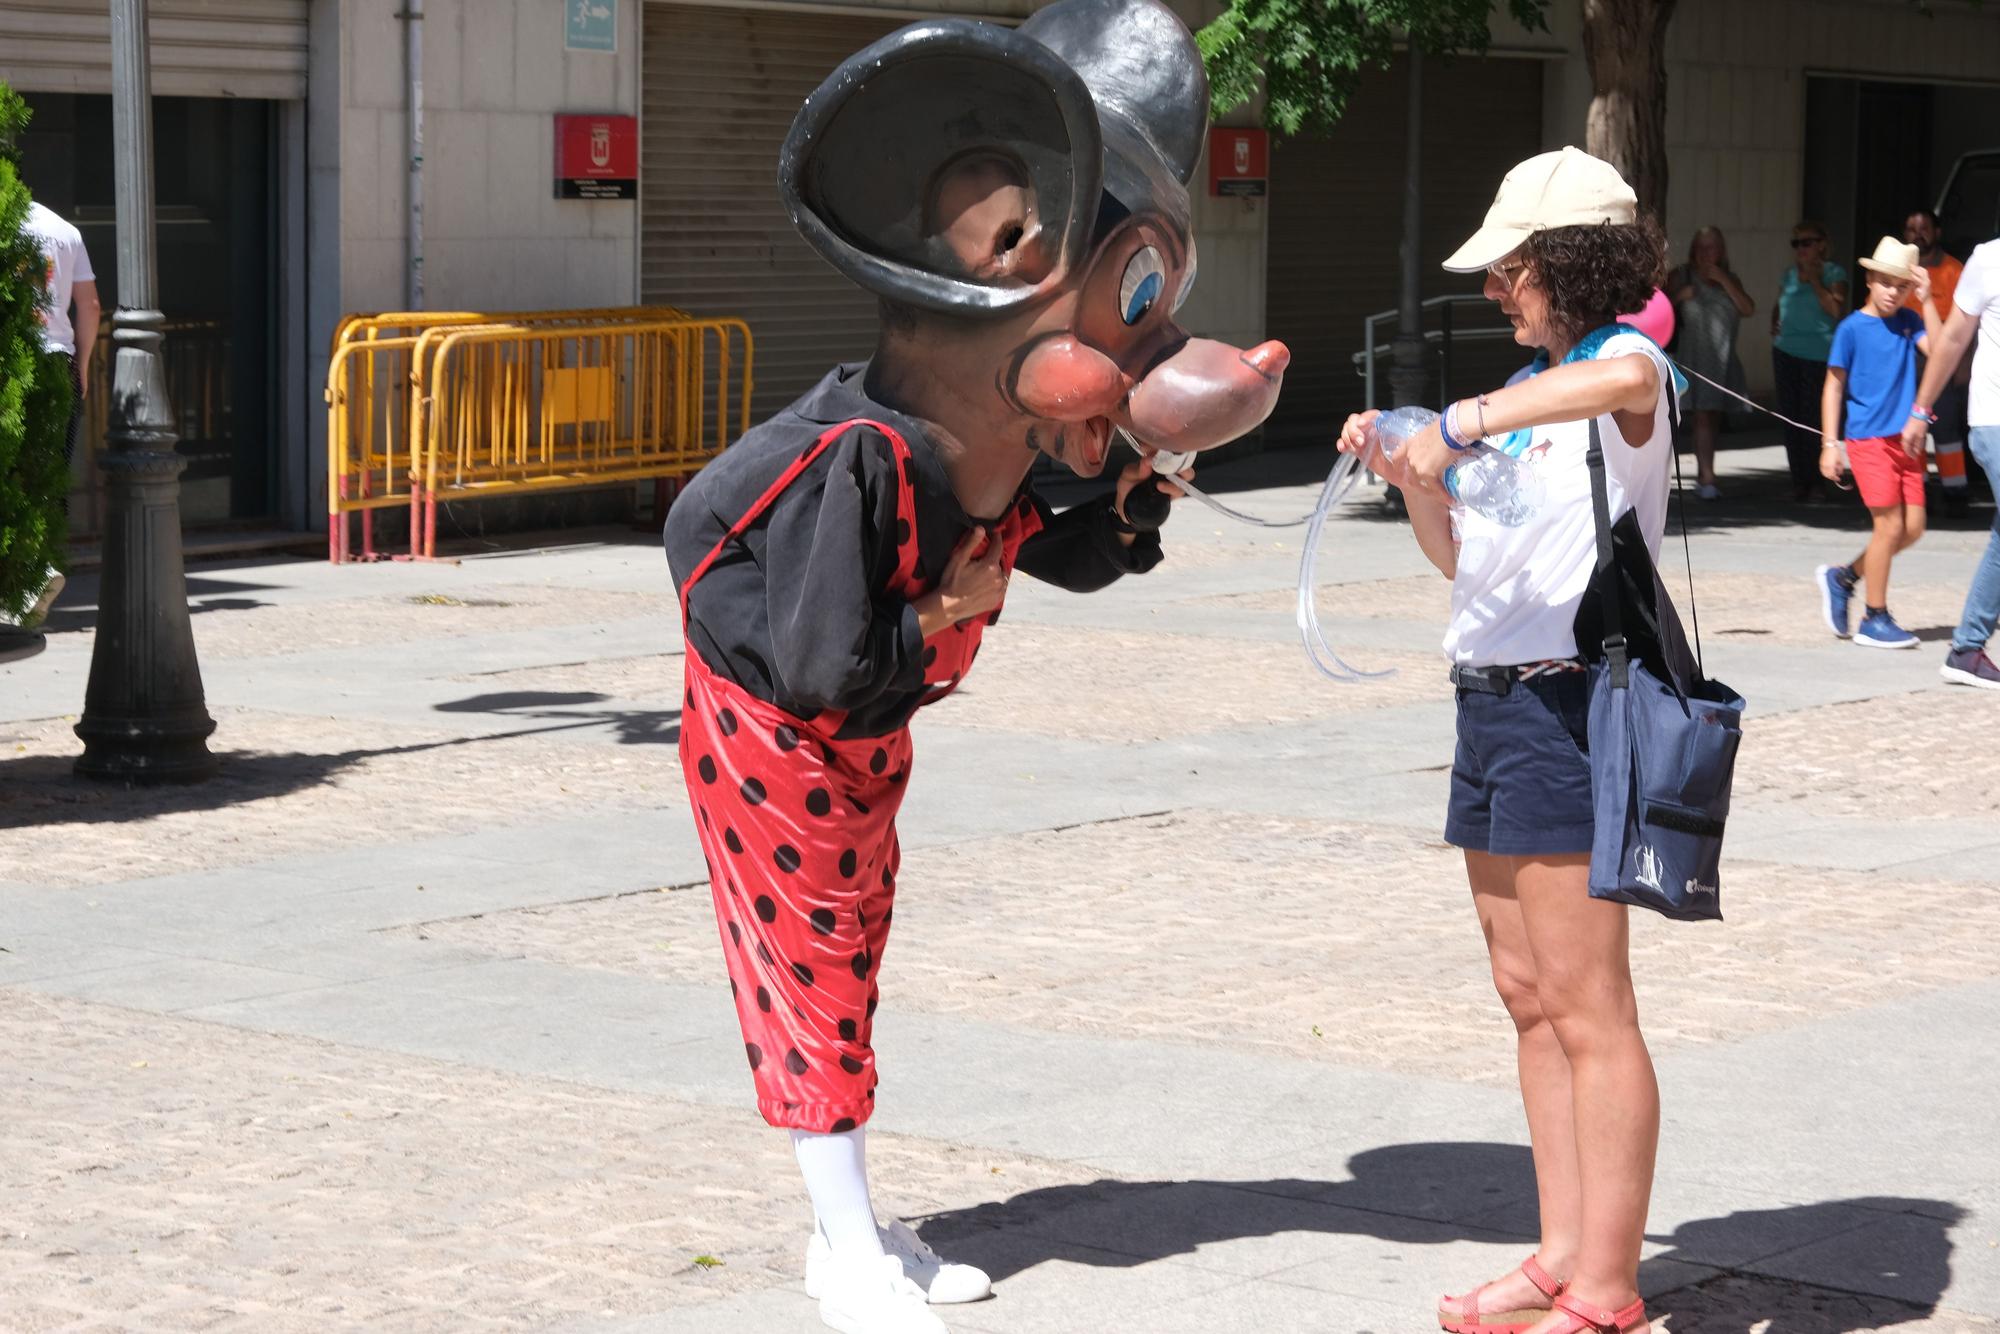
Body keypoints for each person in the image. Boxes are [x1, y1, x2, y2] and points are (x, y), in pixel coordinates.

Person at [665, 3, 1288, 1330]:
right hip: (780, 743)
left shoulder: (1000, 449)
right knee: (811, 972)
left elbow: (1054, 550)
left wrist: (1135, 501)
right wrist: (942, 605)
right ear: (988, 249)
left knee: (846, 965)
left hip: (860, 746)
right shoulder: (867, 459)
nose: (1147, 355)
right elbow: (826, 660)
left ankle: (858, 1226)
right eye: (1127, 308)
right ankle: (845, 1248)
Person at [1339, 146, 1674, 1334]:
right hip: (1488, 703)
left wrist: (1458, 421)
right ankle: (1557, 1252)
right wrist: (1410, 467)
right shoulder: (1534, 394)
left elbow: (1626, 373)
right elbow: (1460, 563)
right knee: (1524, 992)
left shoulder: (1617, 373)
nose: (1494, 289)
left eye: (1511, 267)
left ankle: (1605, 1285)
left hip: (1567, 707)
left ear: (1569, 265)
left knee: (1589, 1005)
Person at [1814, 237, 1943, 650]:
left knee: (1913, 529)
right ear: (1869, 279)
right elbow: (1833, 389)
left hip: (1907, 441)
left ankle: (1845, 576)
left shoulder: (1910, 321)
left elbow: (1940, 354)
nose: (1892, 292)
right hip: (1868, 440)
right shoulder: (1852, 328)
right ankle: (1875, 617)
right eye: (1885, 282)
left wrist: (1927, 301)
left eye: (1900, 286)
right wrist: (1830, 444)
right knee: (1887, 527)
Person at [1905, 231, 2000, 689]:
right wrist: (1922, 411)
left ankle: (1967, 647)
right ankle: (1966, 646)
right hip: (1995, 421)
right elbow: (1952, 340)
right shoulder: (1989, 259)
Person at [17, 199, 97, 625]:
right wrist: (81, 367)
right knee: (49, 477)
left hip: (14, 360)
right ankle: (37, 573)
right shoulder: (65, 229)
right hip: (58, 362)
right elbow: (91, 305)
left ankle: (25, 579)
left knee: (14, 478)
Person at [1667, 226, 1754, 499]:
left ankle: (1706, 473)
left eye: (1713, 247)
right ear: (1694, 250)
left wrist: (1724, 281)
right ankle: (1707, 476)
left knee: (1711, 417)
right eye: (1702, 247)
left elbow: (1747, 308)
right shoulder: (1682, 275)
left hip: (1721, 358)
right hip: (1691, 358)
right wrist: (1680, 296)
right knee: (1701, 415)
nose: (1707, 252)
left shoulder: (1731, 278)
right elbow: (1659, 309)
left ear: (1721, 250)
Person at [1772, 221, 1850, 501]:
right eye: (1796, 244)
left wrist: (1816, 280)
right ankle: (1798, 480)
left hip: (1818, 353)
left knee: (1812, 416)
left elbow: (1836, 308)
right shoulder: (1789, 275)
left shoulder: (1834, 273)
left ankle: (1817, 480)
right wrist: (1775, 326)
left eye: (1807, 243)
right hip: (1786, 350)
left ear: (1821, 244)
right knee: (1790, 416)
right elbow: (1780, 303)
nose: (1801, 249)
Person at [1903, 208, 1972, 516]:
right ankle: (1920, 495)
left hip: (1944, 360)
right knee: (1911, 432)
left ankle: (1956, 494)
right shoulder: (1898, 270)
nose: (1918, 234)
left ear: (1938, 232)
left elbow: (1972, 323)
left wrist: (1963, 364)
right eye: (1911, 229)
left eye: (1924, 228)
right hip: (1906, 362)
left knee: (1946, 435)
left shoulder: (1954, 270)